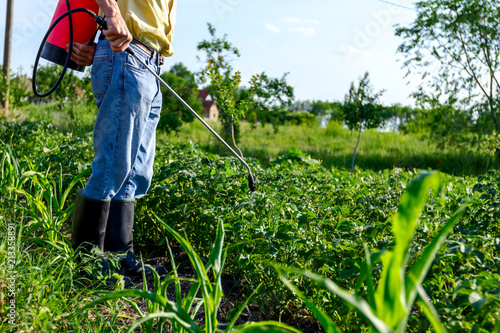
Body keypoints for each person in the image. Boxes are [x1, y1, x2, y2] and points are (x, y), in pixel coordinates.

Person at [69, 0, 177, 280]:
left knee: (137, 170)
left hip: (151, 63)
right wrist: (111, 12)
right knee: (114, 164)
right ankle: (86, 264)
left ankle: (120, 255)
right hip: (126, 55)